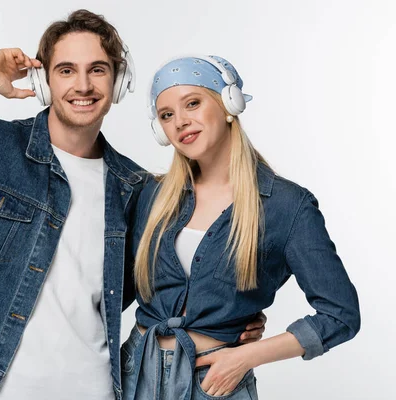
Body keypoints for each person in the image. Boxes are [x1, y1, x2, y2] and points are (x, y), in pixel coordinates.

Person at [0, 10, 265, 400]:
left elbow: (174, 282)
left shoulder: (137, 188)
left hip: (93, 386)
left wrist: (233, 323)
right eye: (66, 70)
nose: (84, 85)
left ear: (119, 81)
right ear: (43, 82)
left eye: (98, 69)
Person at [121, 56, 361, 400]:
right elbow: (113, 292)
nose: (180, 122)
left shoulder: (287, 206)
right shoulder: (151, 196)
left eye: (193, 103)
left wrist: (246, 357)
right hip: (135, 375)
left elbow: (341, 315)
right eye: (167, 115)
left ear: (228, 104)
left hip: (215, 383)